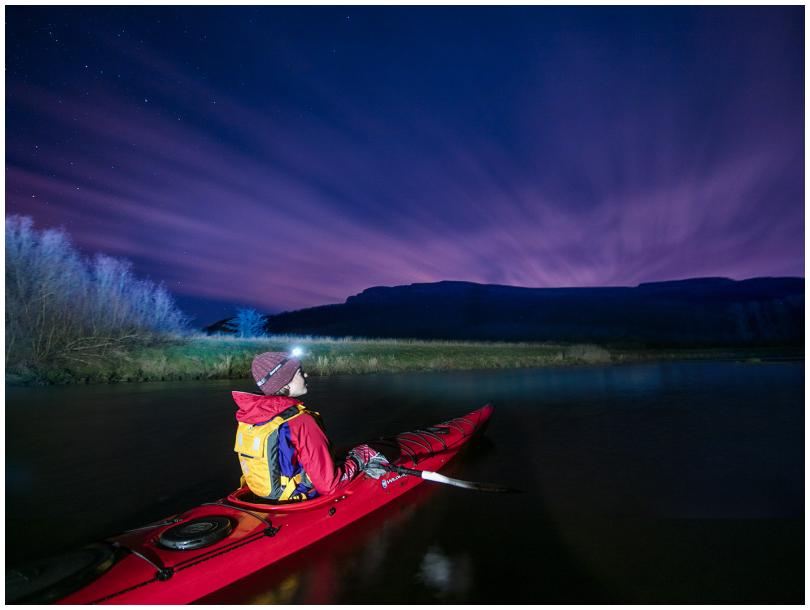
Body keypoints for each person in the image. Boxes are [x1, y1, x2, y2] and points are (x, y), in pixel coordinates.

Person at [232, 351, 386, 502]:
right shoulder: (301, 421)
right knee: (364, 452)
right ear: (284, 381)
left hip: (267, 495)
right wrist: (363, 455)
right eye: (300, 372)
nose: (306, 375)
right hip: (299, 497)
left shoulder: (250, 417)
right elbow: (329, 485)